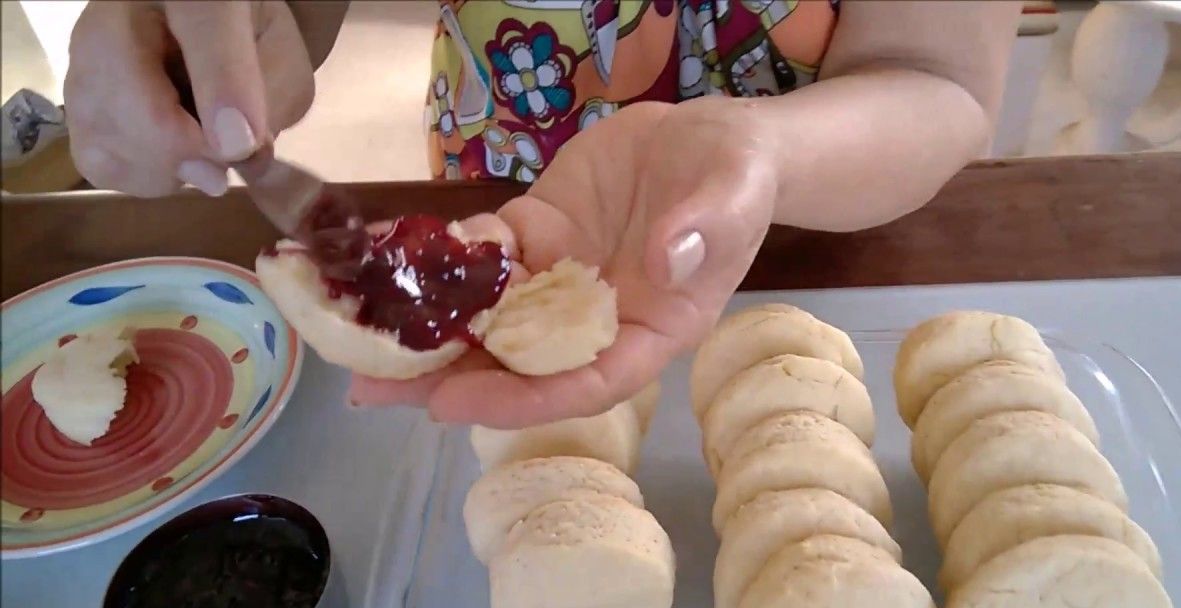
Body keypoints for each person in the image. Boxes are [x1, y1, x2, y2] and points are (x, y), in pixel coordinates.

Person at [64, 1, 1020, 429]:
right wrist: (197, 41)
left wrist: (763, 156)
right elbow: (281, 15)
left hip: (828, 221)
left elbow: (935, 78)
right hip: (513, 195)